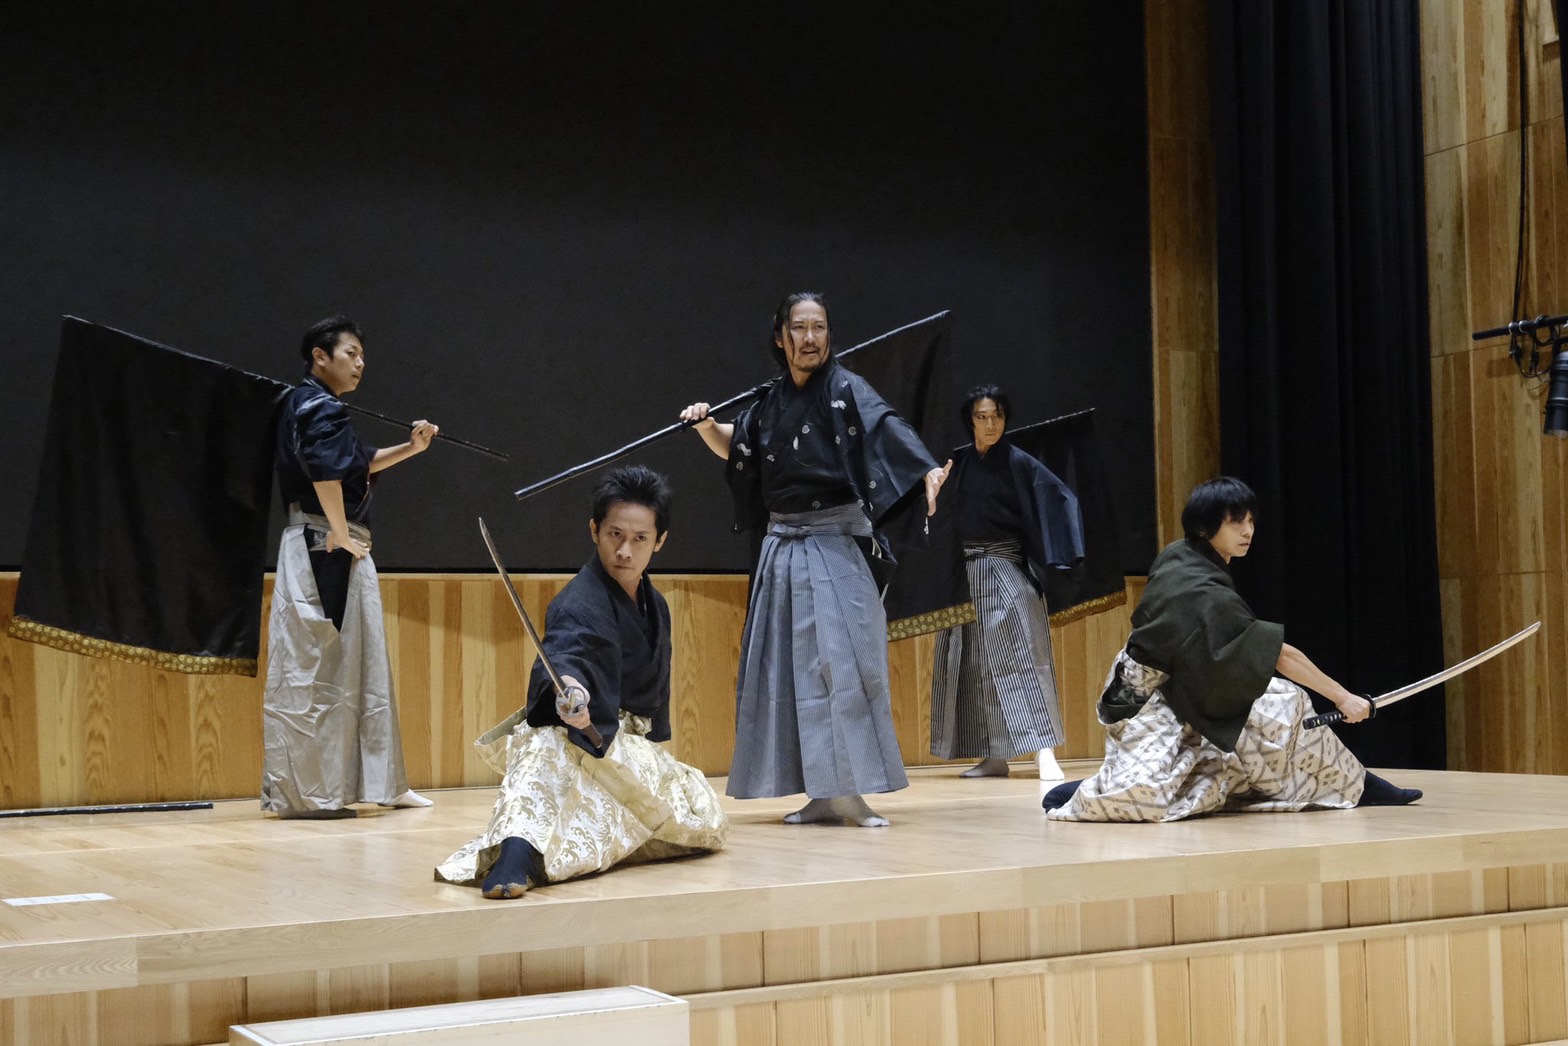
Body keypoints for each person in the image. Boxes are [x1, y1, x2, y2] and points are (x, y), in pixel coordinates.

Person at [680, 292, 950, 827]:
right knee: (797, 673)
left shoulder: (847, 389)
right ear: (781, 337)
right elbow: (744, 447)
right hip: (782, 547)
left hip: (837, 543)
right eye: (799, 328)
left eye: (819, 327)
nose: (810, 338)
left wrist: (926, 471)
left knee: (848, 667)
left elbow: (886, 426)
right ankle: (821, 792)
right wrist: (708, 427)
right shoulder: (770, 401)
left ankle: (851, 790)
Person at [1045, 477, 1421, 822]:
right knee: (1144, 796)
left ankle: (1358, 784)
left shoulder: (1182, 555)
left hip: (1189, 685)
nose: (1248, 530)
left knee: (1282, 703)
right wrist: (1344, 698)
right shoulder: (1200, 586)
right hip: (1148, 699)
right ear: (1206, 527)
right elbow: (1280, 654)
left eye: (1251, 521)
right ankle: (1091, 788)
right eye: (1236, 522)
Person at [435, 465, 728, 898]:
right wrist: (571, 691)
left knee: (706, 819)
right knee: (544, 747)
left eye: (640, 538)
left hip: (627, 749)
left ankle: (550, 851)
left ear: (659, 541)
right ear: (594, 530)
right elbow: (566, 651)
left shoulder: (657, 605)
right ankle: (516, 852)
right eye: (614, 535)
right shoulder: (579, 601)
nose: (625, 550)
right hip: (582, 730)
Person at [261, 316, 436, 819]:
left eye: (362, 355)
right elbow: (325, 474)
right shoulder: (316, 404)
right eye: (351, 353)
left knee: (360, 666)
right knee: (316, 667)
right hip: (325, 544)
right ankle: (311, 793)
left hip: (338, 543)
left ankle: (380, 782)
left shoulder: (321, 408)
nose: (360, 363)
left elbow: (354, 463)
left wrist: (412, 448)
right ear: (320, 356)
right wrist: (337, 531)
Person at [931, 385, 1084, 780]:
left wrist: (1057, 555)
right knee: (972, 664)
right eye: (982, 416)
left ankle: (1044, 750)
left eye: (997, 415)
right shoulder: (958, 463)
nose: (990, 423)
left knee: (1023, 659)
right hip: (963, 575)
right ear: (971, 421)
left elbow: (1058, 497)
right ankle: (993, 754)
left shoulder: (1020, 463)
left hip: (1005, 568)